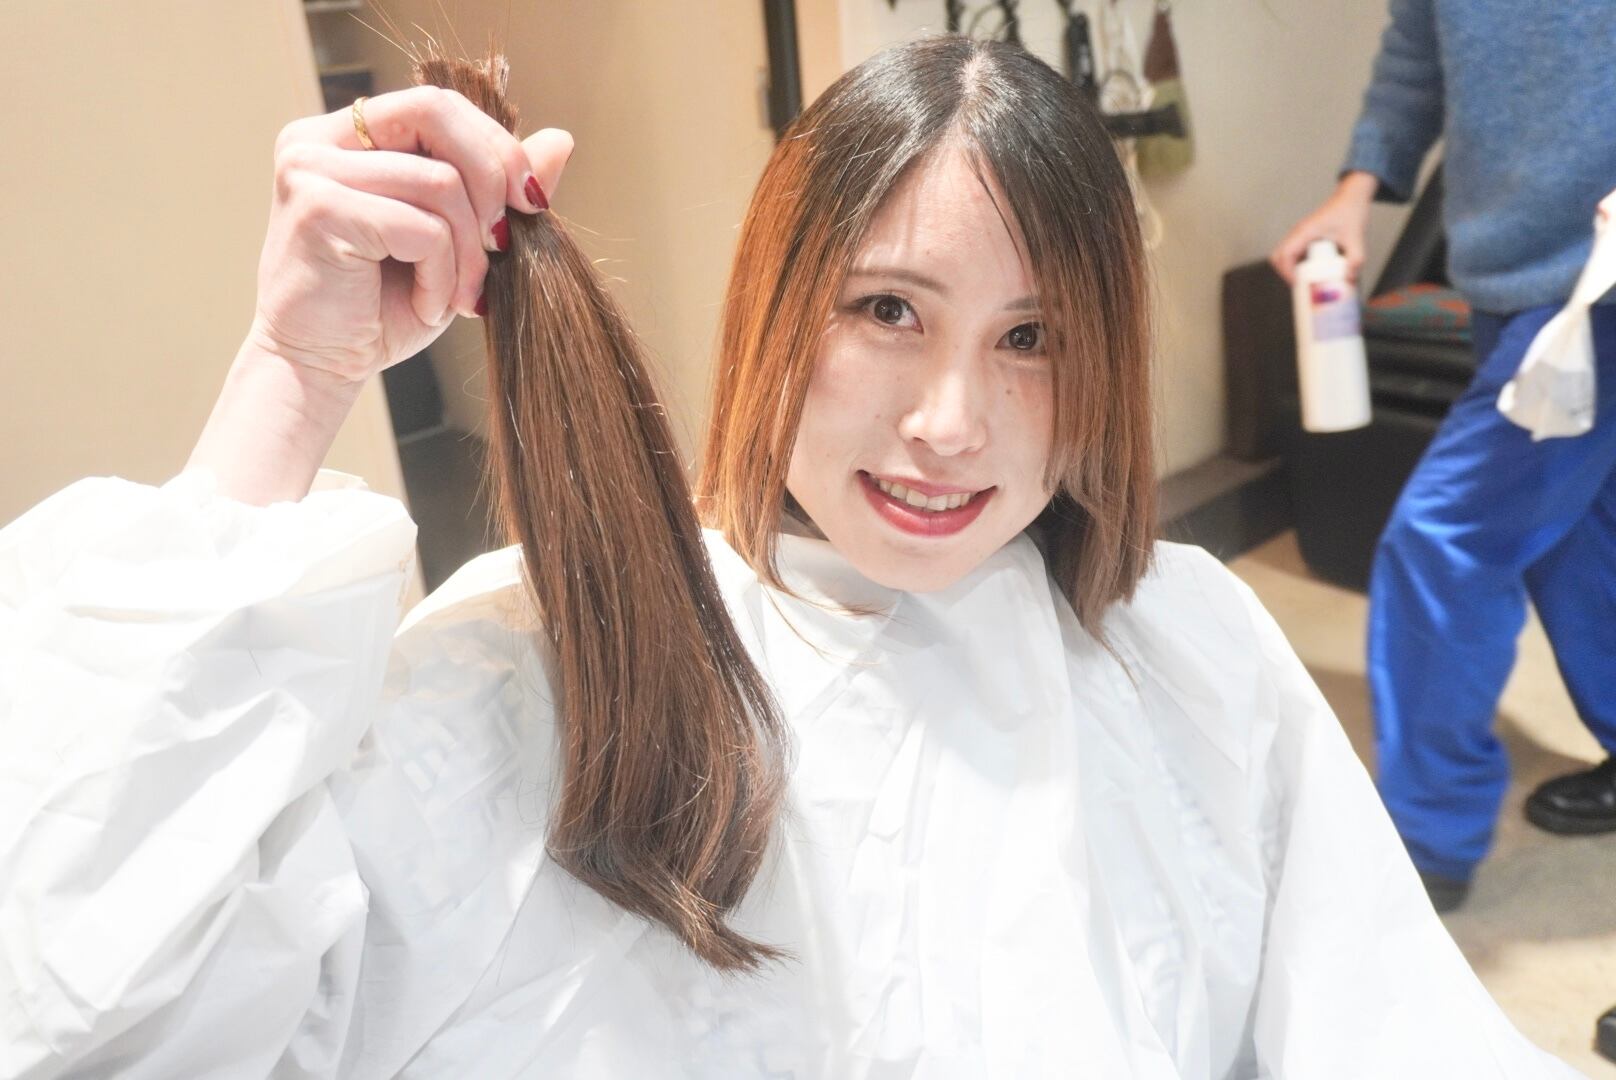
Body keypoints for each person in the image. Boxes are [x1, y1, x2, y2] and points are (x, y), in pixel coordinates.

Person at [1, 36, 1582, 1079]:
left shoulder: (1183, 647)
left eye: (1032, 338)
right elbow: (105, 1011)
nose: (951, 425)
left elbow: (1389, 1029)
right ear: (775, 302)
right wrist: (291, 378)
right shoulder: (541, 667)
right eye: (888, 311)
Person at [1270, 1, 1616, 918]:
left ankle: (1426, 840)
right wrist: (1356, 189)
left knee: (1443, 545)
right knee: (1577, 538)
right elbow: (1417, 60)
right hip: (1508, 276)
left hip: (1597, 287)